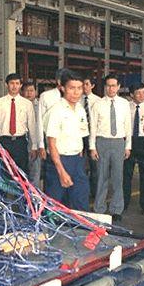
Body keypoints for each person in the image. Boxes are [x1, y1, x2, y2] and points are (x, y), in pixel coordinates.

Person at [44, 69, 90, 211]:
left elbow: (81, 136)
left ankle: (82, 232)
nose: (76, 92)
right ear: (62, 88)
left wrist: (80, 160)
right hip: (59, 161)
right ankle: (48, 232)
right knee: (55, 205)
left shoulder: (81, 109)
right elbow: (51, 144)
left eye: (79, 88)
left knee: (81, 200)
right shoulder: (56, 111)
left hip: (77, 161)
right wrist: (61, 171)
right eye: (71, 88)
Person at [89, 74, 131, 221]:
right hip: (102, 142)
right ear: (105, 87)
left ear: (118, 87)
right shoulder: (98, 104)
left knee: (118, 177)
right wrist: (92, 147)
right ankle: (99, 208)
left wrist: (128, 146)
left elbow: (128, 126)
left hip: (119, 142)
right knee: (102, 176)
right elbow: (93, 127)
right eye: (108, 85)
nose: (111, 88)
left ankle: (116, 209)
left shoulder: (125, 104)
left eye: (114, 85)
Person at [0, 73, 37, 174]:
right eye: (12, 83)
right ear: (6, 85)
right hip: (3, 142)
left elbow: (32, 125)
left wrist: (34, 146)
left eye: (17, 83)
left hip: (20, 143)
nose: (14, 86)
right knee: (3, 172)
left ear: (20, 85)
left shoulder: (27, 104)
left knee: (21, 174)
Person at [123, 84, 144, 215]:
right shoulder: (126, 107)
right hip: (129, 141)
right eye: (138, 93)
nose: (142, 95)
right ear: (131, 95)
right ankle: (124, 202)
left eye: (143, 92)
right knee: (126, 174)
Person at [82, 77, 100, 197]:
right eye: (83, 84)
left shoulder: (98, 101)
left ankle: (94, 192)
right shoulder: (77, 100)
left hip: (93, 136)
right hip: (80, 136)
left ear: (92, 85)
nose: (84, 86)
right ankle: (83, 190)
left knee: (95, 166)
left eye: (87, 84)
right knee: (80, 165)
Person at [22, 82, 41, 185]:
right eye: (26, 91)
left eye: (31, 91)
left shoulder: (40, 108)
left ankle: (34, 199)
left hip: (36, 145)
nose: (29, 93)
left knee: (35, 174)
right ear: (22, 92)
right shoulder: (19, 105)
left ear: (36, 92)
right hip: (21, 145)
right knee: (21, 174)